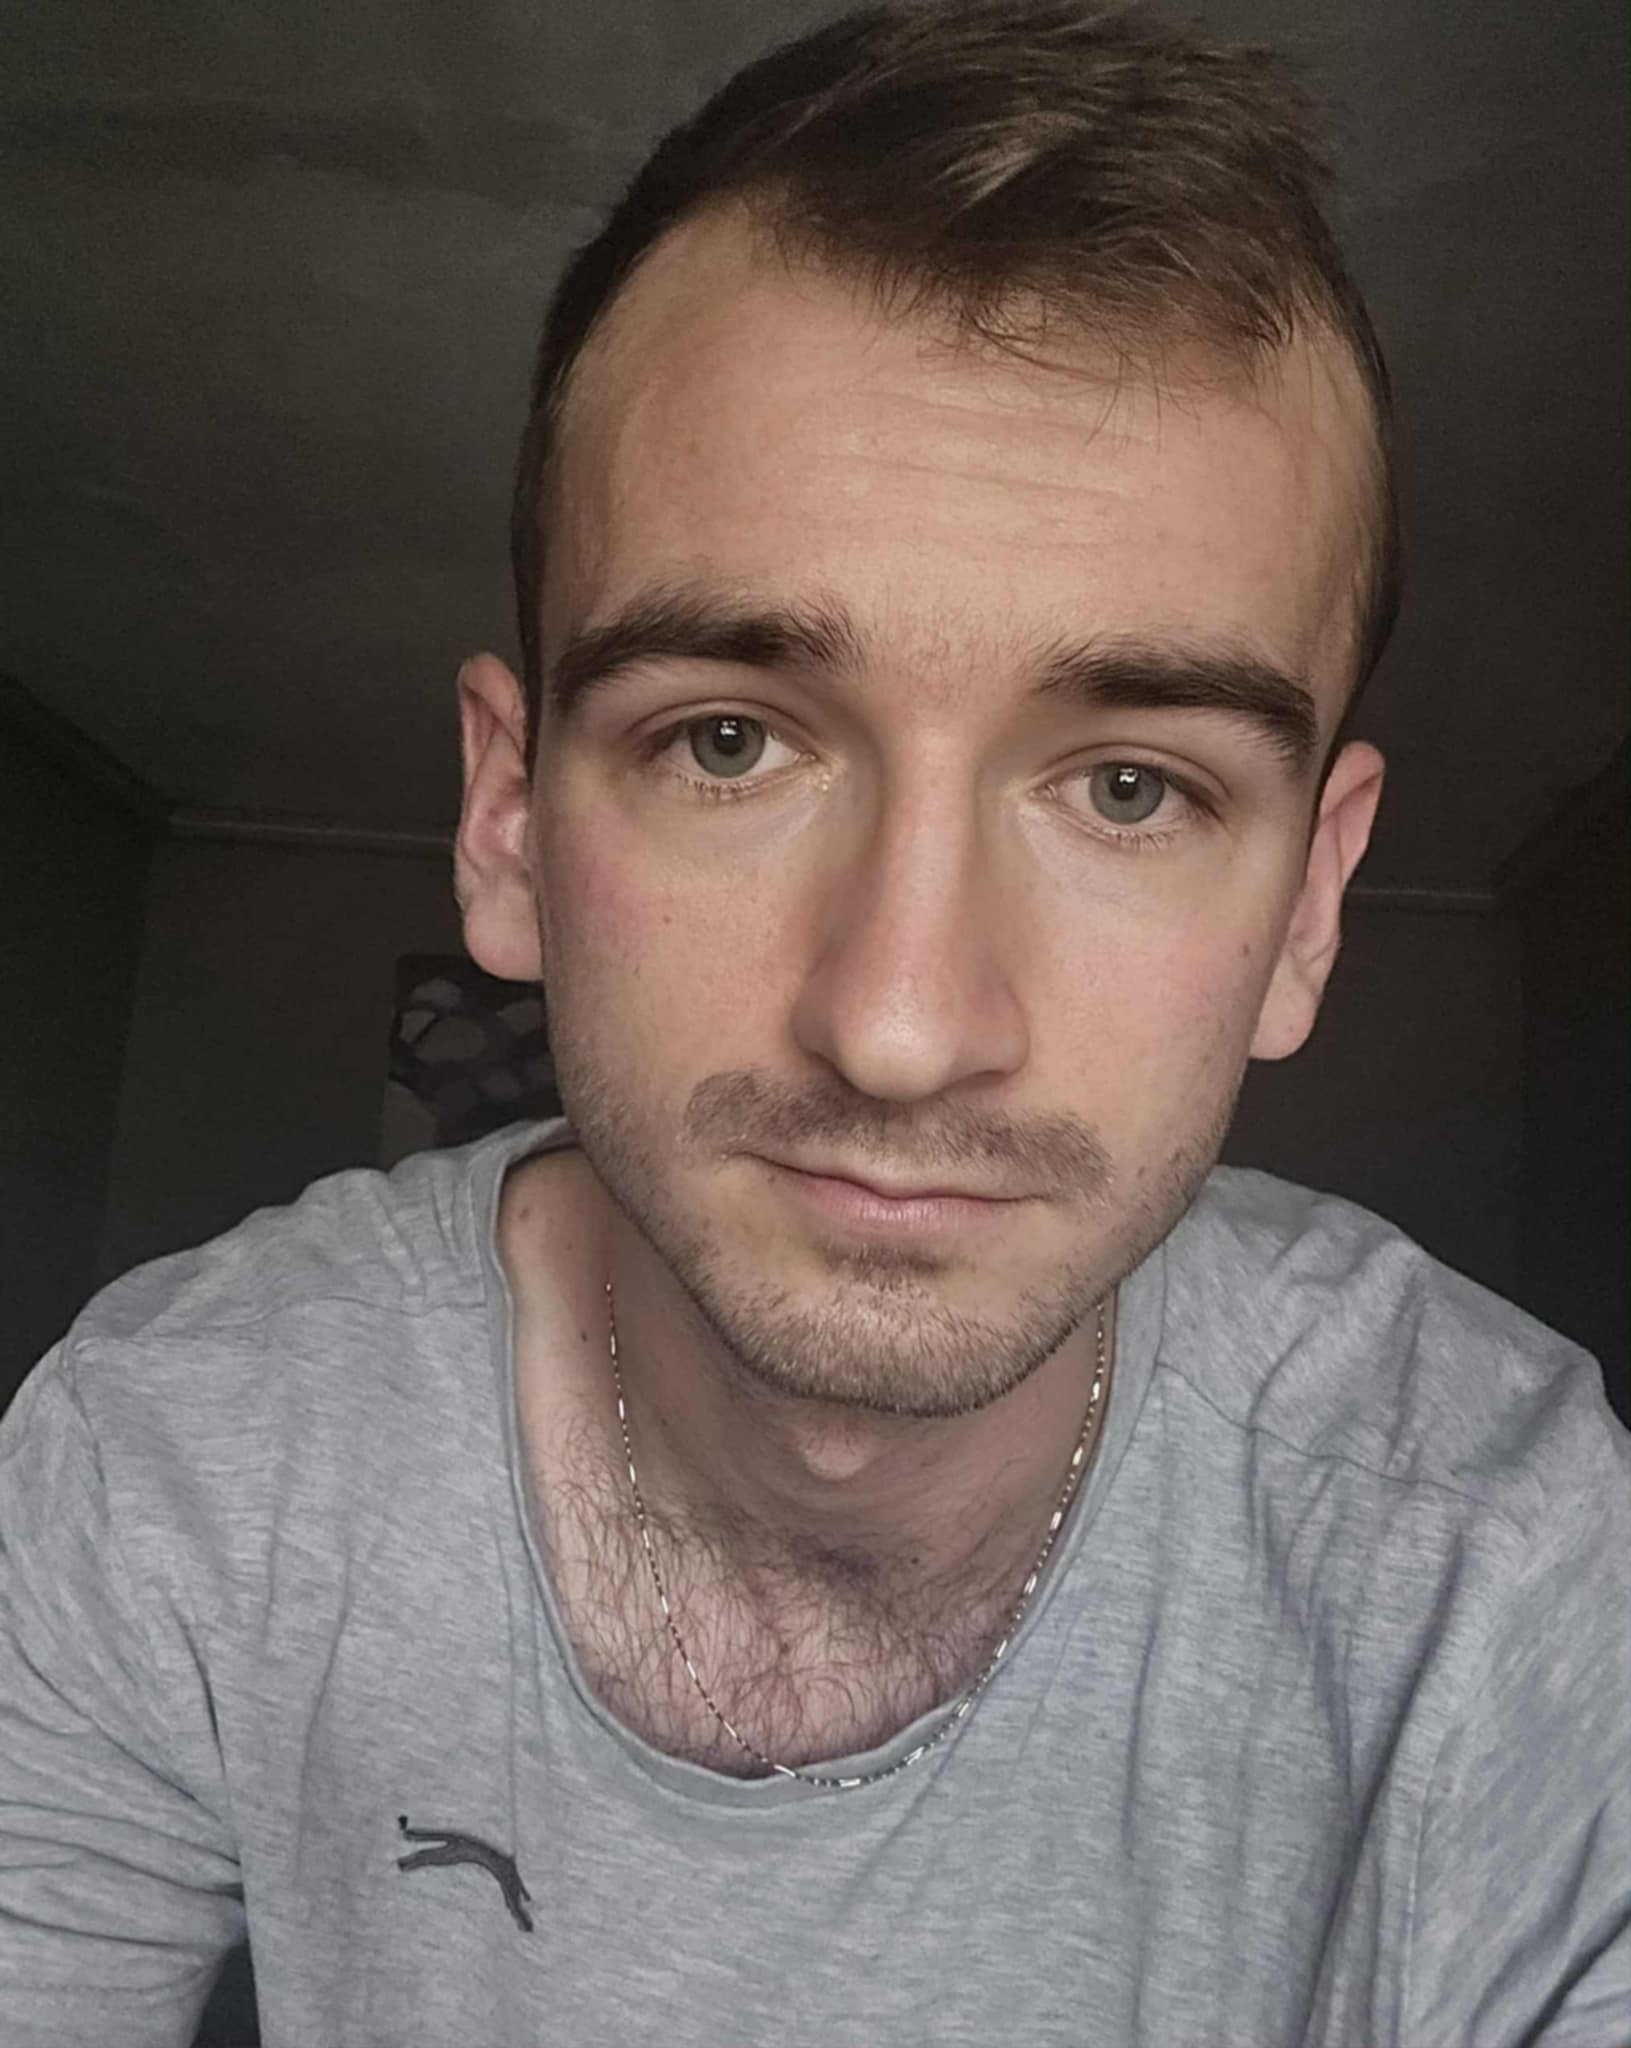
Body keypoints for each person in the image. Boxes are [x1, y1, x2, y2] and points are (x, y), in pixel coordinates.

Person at [1, 4, 1625, 2043]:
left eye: (1132, 785)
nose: (902, 1025)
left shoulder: (1497, 1557)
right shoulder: (172, 1459)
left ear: (1309, 902)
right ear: (507, 823)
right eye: (731, 740)